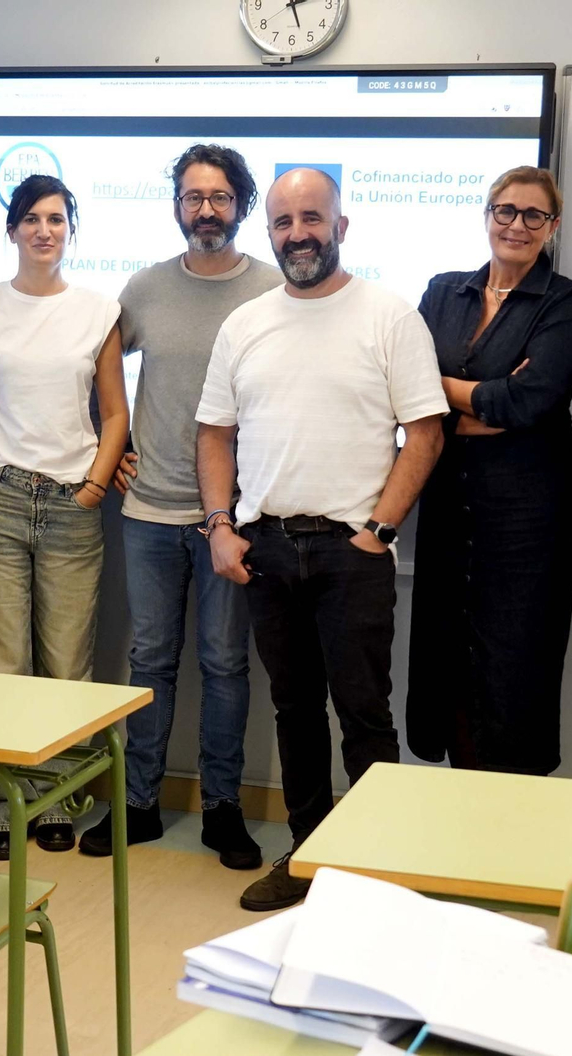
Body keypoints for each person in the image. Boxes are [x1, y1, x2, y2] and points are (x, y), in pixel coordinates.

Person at [196, 168, 448, 911]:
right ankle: (307, 859)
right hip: (266, 550)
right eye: (283, 222)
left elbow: (425, 433)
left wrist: (379, 531)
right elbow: (213, 432)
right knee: (294, 712)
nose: (298, 233)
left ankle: (374, 871)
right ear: (267, 232)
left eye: (312, 218)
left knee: (365, 714)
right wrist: (219, 527)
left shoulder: (389, 315)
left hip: (352, 553)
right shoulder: (245, 324)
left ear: (342, 226)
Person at [77, 145, 281, 868]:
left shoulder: (271, 289)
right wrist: (109, 447)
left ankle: (224, 809)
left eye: (219, 198)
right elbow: (90, 373)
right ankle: (138, 805)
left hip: (234, 518)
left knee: (226, 664)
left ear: (242, 205)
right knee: (149, 658)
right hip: (150, 511)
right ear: (176, 206)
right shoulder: (146, 288)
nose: (205, 210)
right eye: (193, 197)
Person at [0, 175, 129, 861]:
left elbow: (115, 414)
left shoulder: (97, 311)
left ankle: (57, 800)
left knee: (64, 664)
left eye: (56, 219)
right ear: (12, 230)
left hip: (69, 505)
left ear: (70, 229)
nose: (44, 230)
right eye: (31, 219)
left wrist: (92, 485)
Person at [405, 167, 572, 776]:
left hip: (525, 518)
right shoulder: (443, 291)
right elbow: (403, 388)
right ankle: (457, 815)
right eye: (505, 210)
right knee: (445, 656)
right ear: (487, 215)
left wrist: (446, 393)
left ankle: (509, 828)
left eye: (533, 215)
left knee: (515, 666)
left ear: (552, 227)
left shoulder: (565, 300)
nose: (516, 224)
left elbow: (528, 402)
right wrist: (482, 395)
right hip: (447, 504)